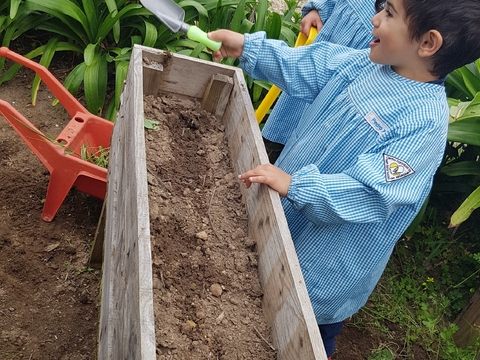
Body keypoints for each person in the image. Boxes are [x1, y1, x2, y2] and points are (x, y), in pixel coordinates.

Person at [208, 0, 480, 358]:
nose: (375, 18)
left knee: (306, 332)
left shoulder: (423, 125)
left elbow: (371, 192)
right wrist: (248, 47)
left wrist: (297, 186)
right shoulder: (364, 65)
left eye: (390, 14)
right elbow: (308, 65)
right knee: (261, 290)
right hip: (290, 216)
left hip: (327, 262)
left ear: (427, 43)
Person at [263, 0, 376, 163]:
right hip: (331, 43)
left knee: (316, 141)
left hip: (364, 70)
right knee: (290, 116)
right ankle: (267, 154)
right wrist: (320, 8)